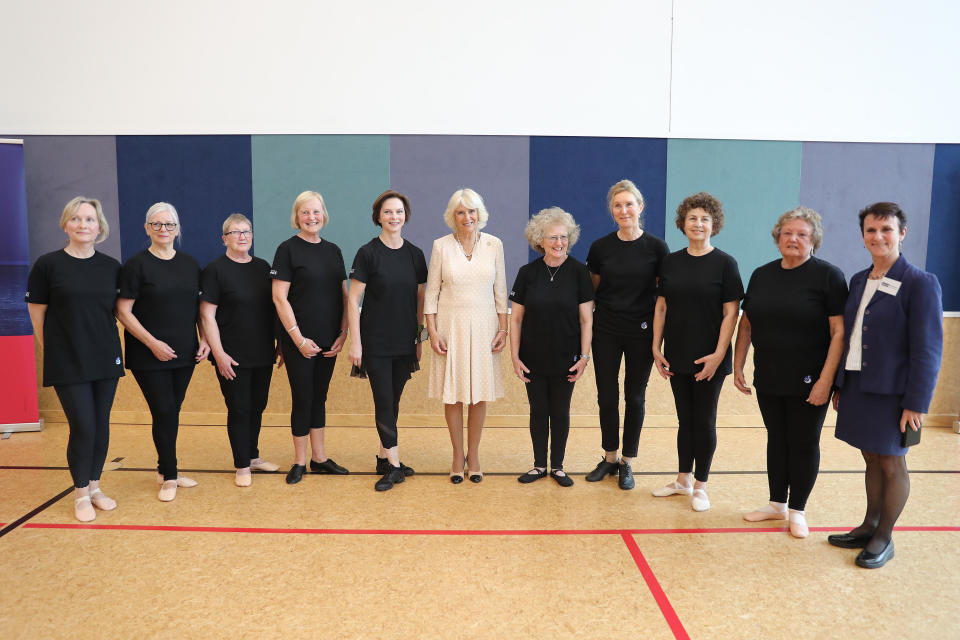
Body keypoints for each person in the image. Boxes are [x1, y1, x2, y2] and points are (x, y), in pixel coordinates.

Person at [828, 202, 942, 568]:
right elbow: (852, 336)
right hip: (861, 385)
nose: (878, 237)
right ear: (863, 237)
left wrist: (917, 402)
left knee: (893, 462)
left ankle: (884, 536)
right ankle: (868, 524)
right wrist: (841, 384)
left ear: (902, 233)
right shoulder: (860, 280)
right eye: (871, 231)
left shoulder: (920, 283)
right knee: (870, 456)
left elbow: (927, 349)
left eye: (886, 229)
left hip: (895, 393)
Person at [733, 207, 847, 537]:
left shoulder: (829, 276)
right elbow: (747, 323)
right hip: (769, 375)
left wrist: (827, 381)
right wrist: (739, 363)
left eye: (802, 235)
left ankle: (797, 509)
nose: (793, 239)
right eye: (787, 233)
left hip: (811, 379)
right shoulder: (762, 274)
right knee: (777, 438)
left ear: (814, 241)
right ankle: (776, 504)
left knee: (804, 441)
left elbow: (839, 332)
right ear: (777, 238)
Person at [26, 197, 125, 521]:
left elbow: (117, 312)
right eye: (77, 219)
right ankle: (80, 492)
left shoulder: (111, 267)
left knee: (100, 425)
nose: (83, 225)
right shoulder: (48, 265)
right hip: (68, 360)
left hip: (105, 357)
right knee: (82, 426)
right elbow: (37, 315)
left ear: (100, 227)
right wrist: (54, 351)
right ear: (66, 223)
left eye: (90, 220)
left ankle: (95, 487)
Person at [652, 192, 743, 512]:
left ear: (714, 224)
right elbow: (661, 306)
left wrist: (719, 355)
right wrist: (655, 346)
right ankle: (682, 480)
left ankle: (701, 485)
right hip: (677, 351)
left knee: (704, 420)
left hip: (710, 357)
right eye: (692, 218)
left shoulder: (725, 264)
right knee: (684, 420)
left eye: (704, 218)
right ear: (683, 223)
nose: (698, 223)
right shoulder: (671, 262)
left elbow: (731, 313)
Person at [116, 202, 209, 502]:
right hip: (148, 355)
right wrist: (152, 343)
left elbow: (199, 310)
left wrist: (204, 338)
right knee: (164, 410)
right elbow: (123, 311)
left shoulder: (190, 264)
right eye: (157, 224)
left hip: (185, 353)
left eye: (169, 225)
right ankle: (169, 475)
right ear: (147, 228)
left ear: (177, 229)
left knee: (171, 411)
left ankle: (163, 468)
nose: (163, 229)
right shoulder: (136, 265)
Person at [584, 179, 669, 490]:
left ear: (640, 207)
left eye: (629, 204)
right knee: (607, 396)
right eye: (618, 205)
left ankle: (627, 462)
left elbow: (663, 298)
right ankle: (609, 457)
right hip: (606, 330)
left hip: (641, 333)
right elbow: (590, 291)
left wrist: (659, 342)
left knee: (634, 397)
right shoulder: (600, 247)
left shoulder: (657, 248)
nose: (624, 210)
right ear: (612, 210)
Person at [424, 188, 508, 484]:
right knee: (454, 394)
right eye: (461, 212)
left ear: (479, 214)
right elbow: (431, 293)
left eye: (471, 211)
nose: (467, 217)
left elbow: (501, 293)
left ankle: (474, 455)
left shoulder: (495, 245)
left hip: (485, 329)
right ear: (453, 216)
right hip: (450, 328)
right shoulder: (440, 247)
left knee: (478, 394)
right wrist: (432, 331)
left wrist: (504, 329)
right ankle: (457, 455)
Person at [347, 190, 427, 491]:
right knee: (383, 401)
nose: (394, 217)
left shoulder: (415, 254)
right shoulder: (367, 253)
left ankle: (383, 457)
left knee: (393, 402)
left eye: (399, 212)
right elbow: (353, 300)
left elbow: (421, 300)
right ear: (378, 217)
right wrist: (356, 343)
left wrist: (421, 338)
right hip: (375, 342)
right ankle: (394, 466)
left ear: (405, 216)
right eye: (388, 212)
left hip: (405, 341)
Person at [510, 207, 594, 487]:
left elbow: (586, 319)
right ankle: (538, 466)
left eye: (563, 237)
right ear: (539, 240)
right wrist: (514, 356)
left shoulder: (580, 272)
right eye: (553, 237)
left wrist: (584, 357)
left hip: (566, 358)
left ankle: (557, 466)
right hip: (532, 357)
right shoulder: (527, 273)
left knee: (560, 411)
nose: (559, 243)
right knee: (538, 411)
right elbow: (517, 319)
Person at [271, 190, 349, 485]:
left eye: (316, 212)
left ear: (323, 215)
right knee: (302, 398)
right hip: (298, 342)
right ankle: (299, 461)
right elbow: (280, 298)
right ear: (297, 217)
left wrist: (343, 334)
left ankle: (320, 458)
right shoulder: (287, 249)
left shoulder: (333, 250)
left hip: (329, 340)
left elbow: (344, 295)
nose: (311, 217)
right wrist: (298, 339)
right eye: (305, 212)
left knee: (319, 397)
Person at [199, 214, 280, 488]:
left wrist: (279, 342)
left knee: (258, 406)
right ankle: (241, 464)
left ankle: (253, 456)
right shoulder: (215, 270)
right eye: (235, 232)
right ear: (224, 238)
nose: (242, 236)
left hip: (262, 351)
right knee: (239, 408)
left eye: (247, 231)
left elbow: (273, 308)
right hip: (231, 354)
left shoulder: (263, 267)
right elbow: (207, 315)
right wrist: (218, 354)